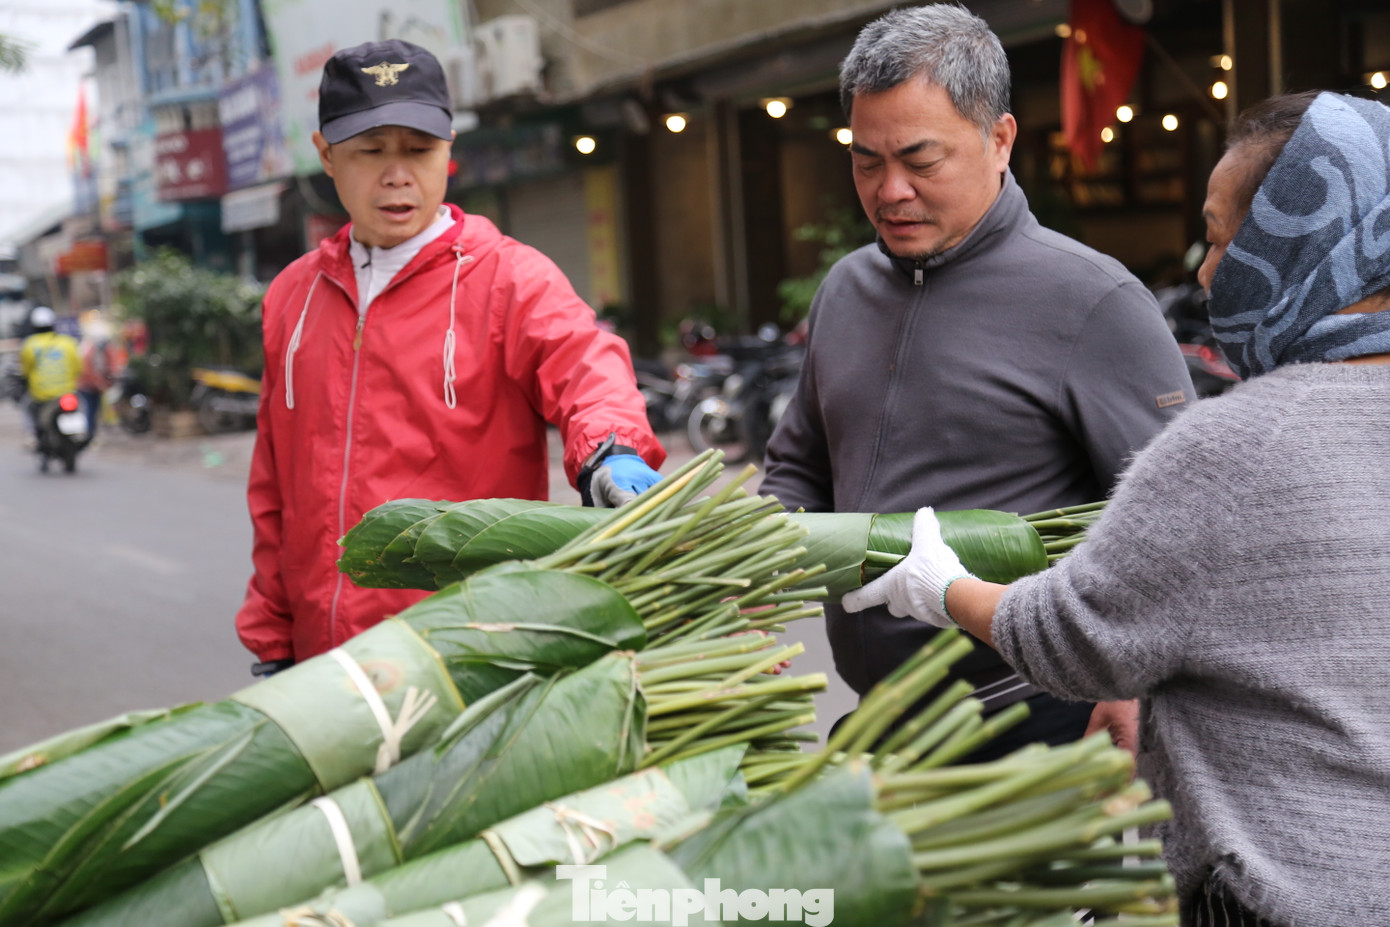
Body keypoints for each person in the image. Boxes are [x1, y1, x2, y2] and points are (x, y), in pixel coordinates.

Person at [844, 90, 1390, 927]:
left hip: (1286, 889)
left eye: (1219, 238)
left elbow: (1079, 637)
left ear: (1301, 243)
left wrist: (939, 585)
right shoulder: (847, 292)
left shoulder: (1234, 442)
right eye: (868, 159)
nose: (1206, 272)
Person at [760, 4, 1194, 758]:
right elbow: (800, 464)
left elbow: (1175, 527)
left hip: (1038, 721)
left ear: (1001, 139)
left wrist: (1133, 684)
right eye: (866, 160)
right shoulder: (846, 288)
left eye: (921, 161)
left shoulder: (1093, 302)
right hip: (883, 722)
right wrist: (749, 584)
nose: (890, 190)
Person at [237, 39, 665, 675]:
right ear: (326, 154)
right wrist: (274, 640)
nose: (397, 175)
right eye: (370, 152)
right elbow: (276, 486)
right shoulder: (293, 297)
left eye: (419, 150)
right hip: (326, 665)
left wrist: (611, 449)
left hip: (466, 655)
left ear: (449, 151)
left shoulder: (510, 279)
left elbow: (587, 368)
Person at [19, 306, 81, 439]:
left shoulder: (29, 345)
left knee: (26, 406)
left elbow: (25, 371)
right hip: (67, 392)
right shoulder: (68, 342)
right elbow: (78, 368)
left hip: (41, 395)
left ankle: (32, 437)